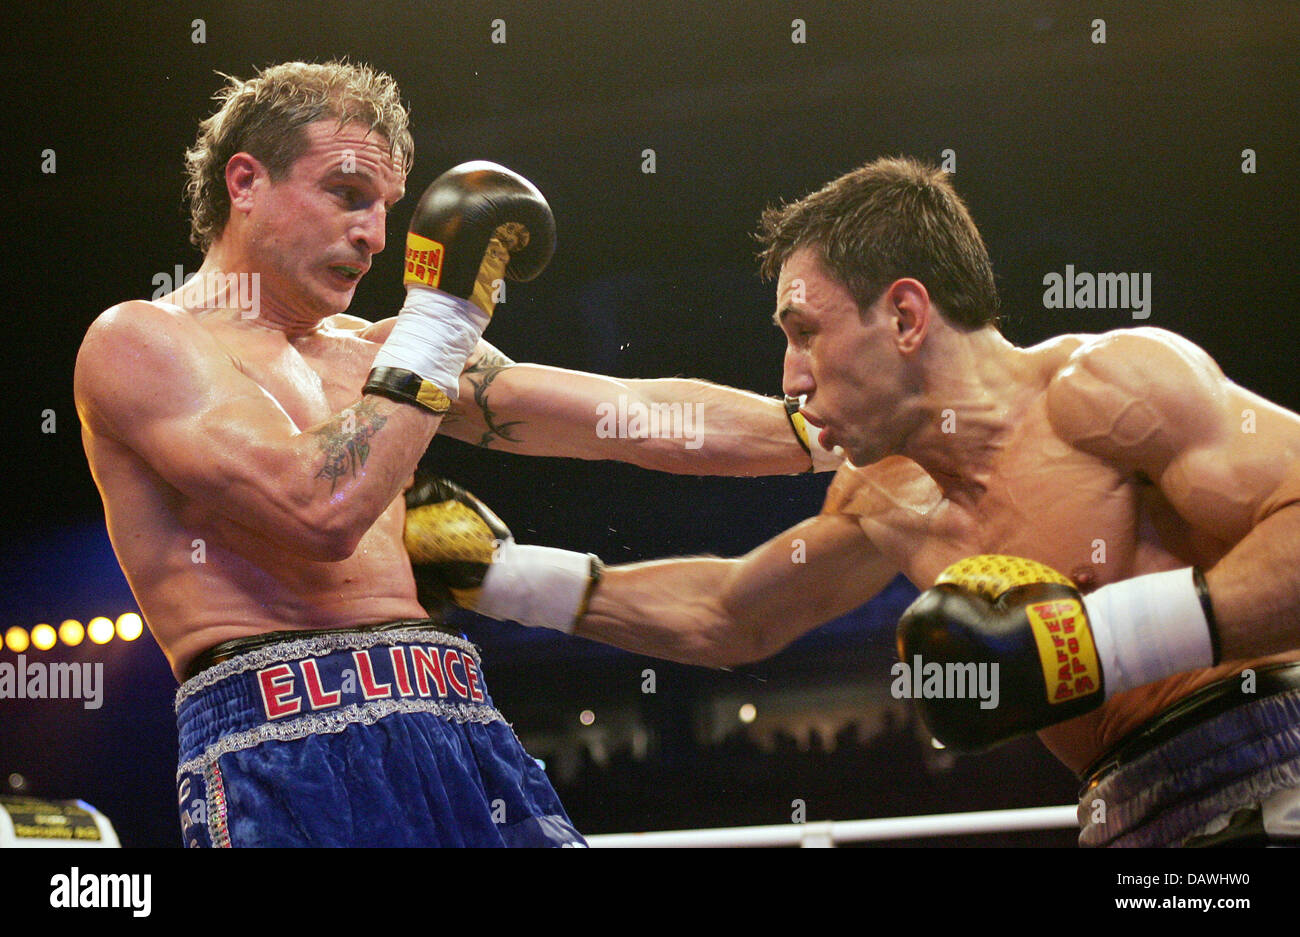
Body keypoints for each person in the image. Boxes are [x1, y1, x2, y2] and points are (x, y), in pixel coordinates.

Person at [72, 61, 831, 848]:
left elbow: (630, 414)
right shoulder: (139, 343)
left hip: (455, 720)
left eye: (384, 208)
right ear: (244, 181)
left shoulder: (378, 353)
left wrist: (830, 433)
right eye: (345, 193)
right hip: (285, 740)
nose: (372, 234)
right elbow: (316, 506)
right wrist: (438, 323)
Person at [488, 156, 1300, 847]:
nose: (790, 378)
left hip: (1271, 760)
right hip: (1120, 810)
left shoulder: (1110, 386)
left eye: (805, 331)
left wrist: (1097, 641)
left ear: (906, 315)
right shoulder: (888, 494)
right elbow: (732, 612)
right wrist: (504, 577)